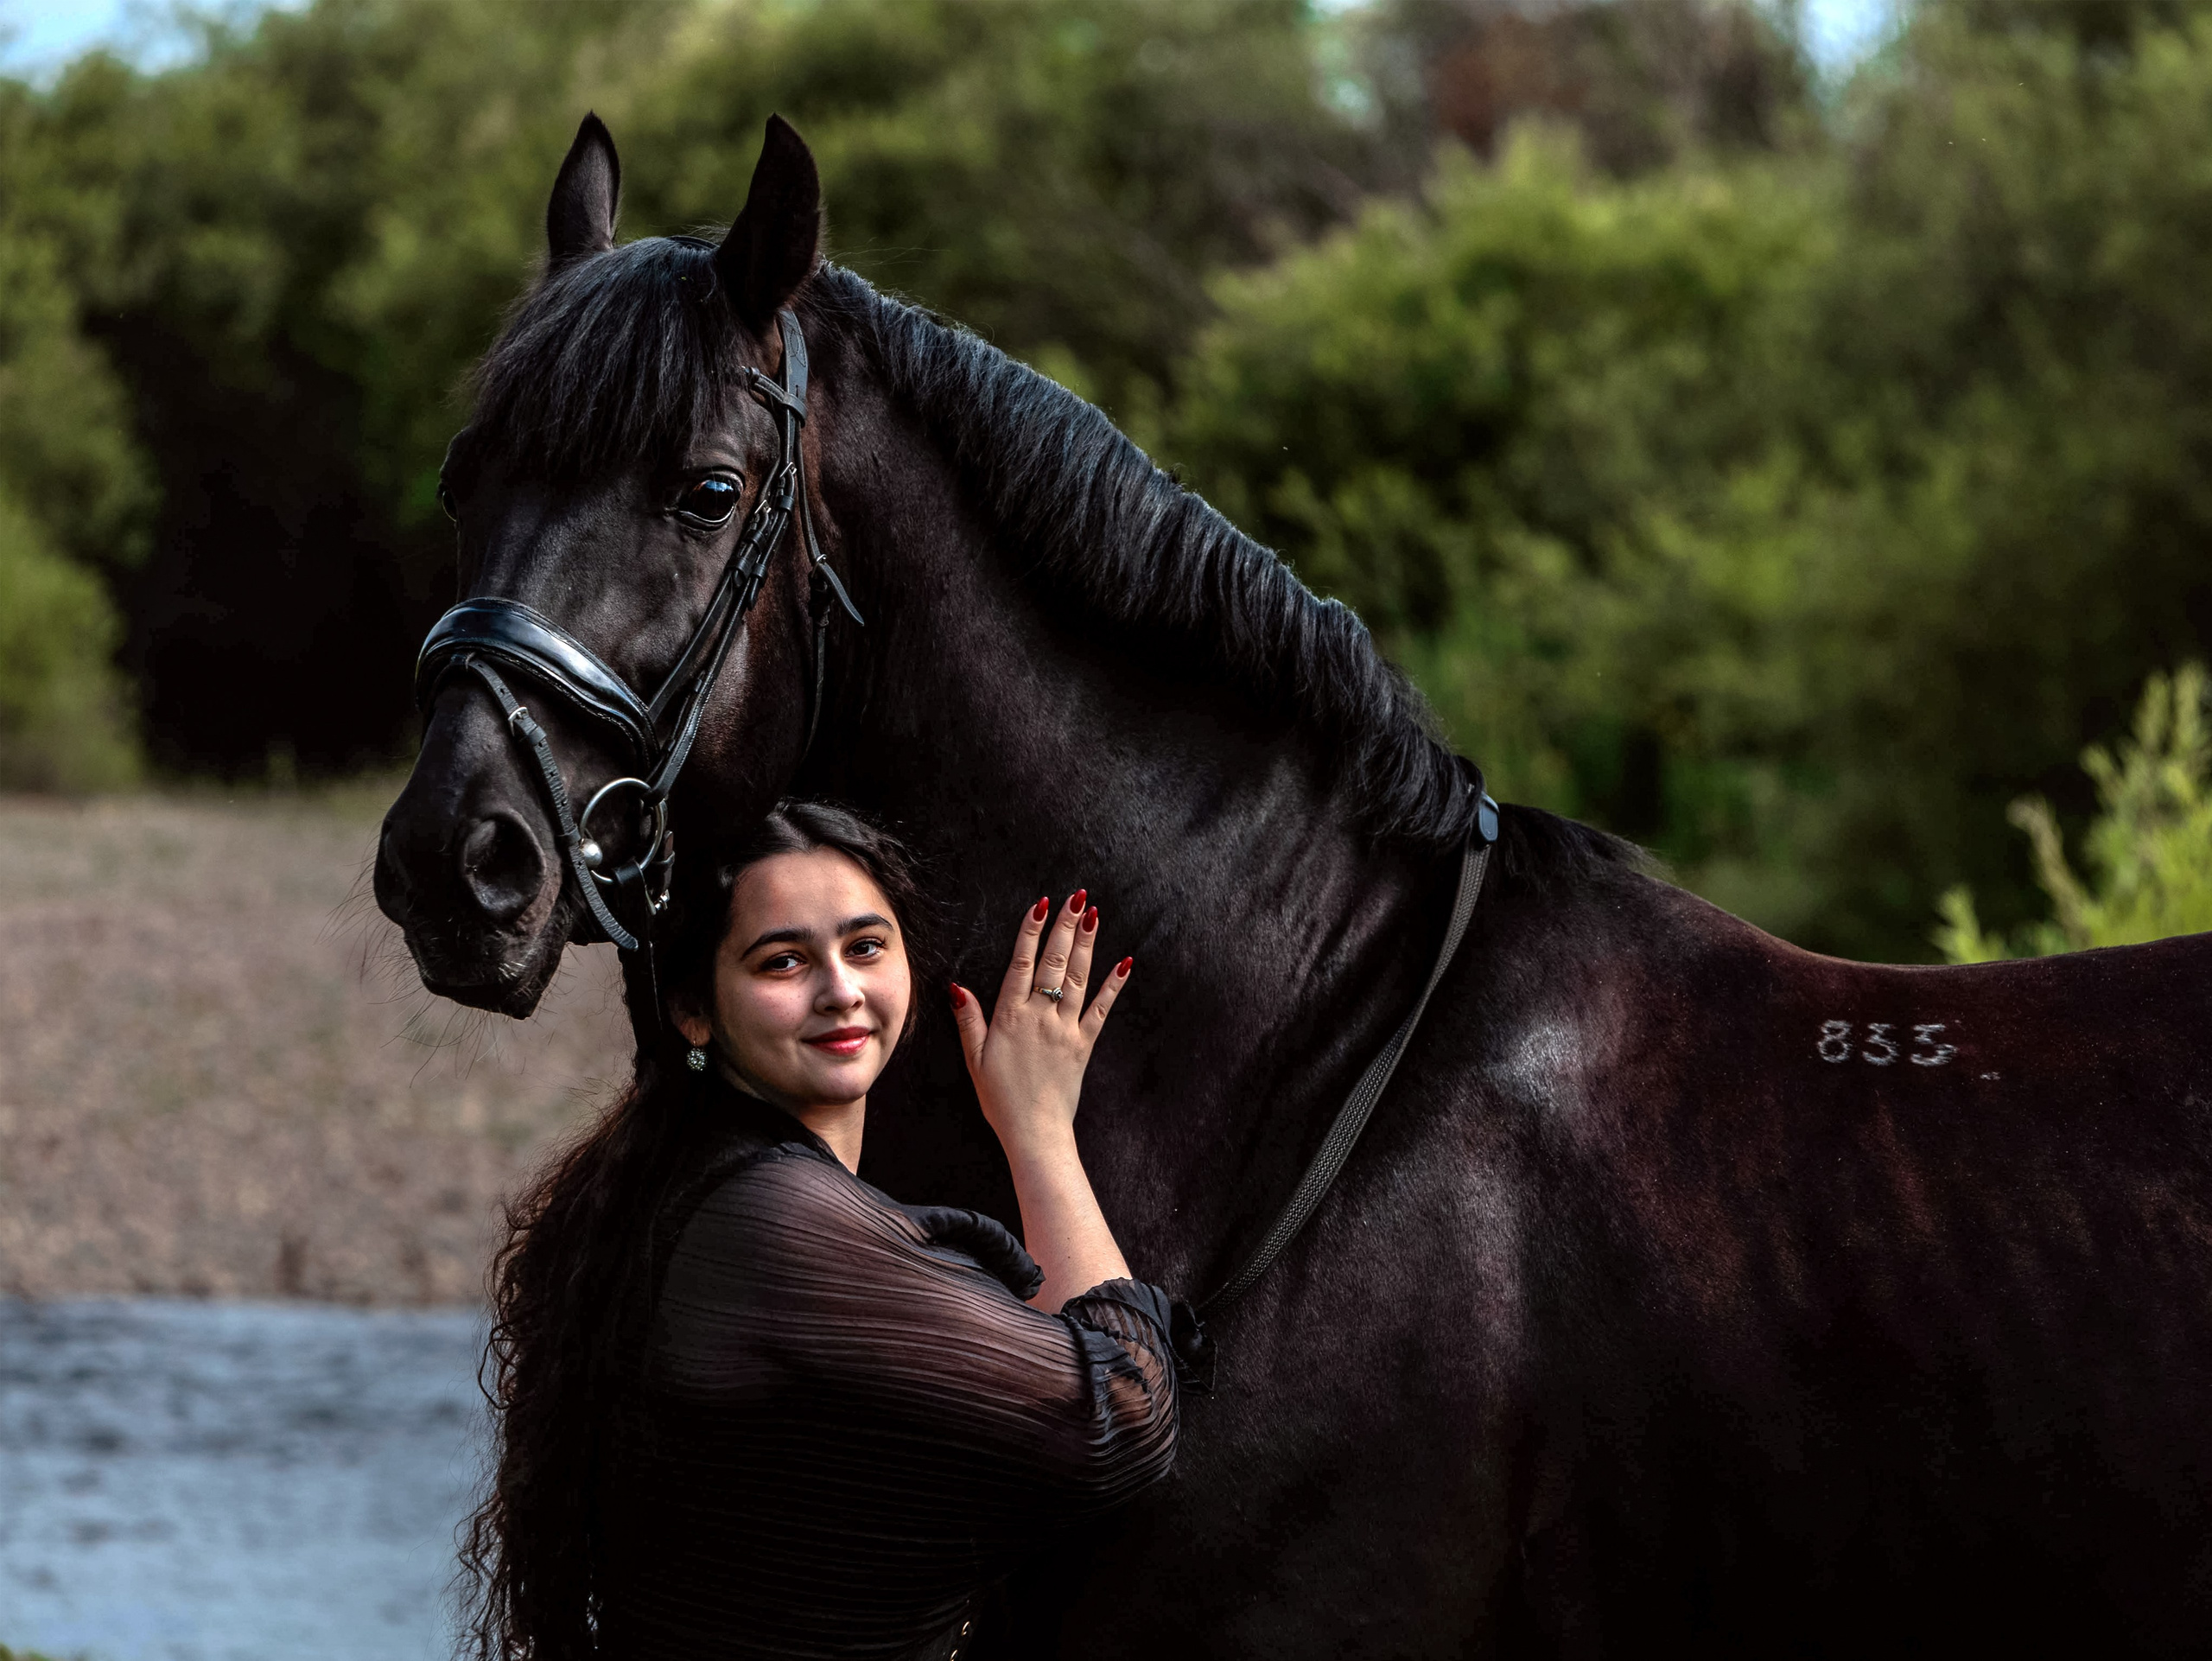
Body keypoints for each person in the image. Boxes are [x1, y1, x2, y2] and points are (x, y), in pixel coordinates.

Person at [461, 801, 1178, 1661]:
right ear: (693, 1008)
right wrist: (1039, 1133)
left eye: (866, 946)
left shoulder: (681, 1176)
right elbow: (1125, 1419)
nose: (839, 988)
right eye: (784, 959)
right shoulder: (774, 1225)